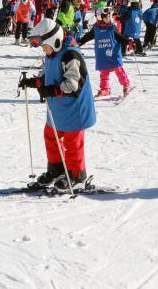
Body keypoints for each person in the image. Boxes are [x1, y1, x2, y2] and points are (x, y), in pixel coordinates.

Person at [19, 19, 96, 191]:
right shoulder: (51, 55)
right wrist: (32, 82)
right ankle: (57, 170)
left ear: (54, 40)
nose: (43, 50)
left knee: (72, 142)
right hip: (58, 109)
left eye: (44, 46)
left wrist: (51, 91)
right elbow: (48, 77)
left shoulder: (71, 55)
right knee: (50, 135)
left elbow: (73, 85)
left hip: (75, 109)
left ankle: (76, 175)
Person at [79, 6, 131, 97]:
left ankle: (126, 85)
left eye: (109, 16)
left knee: (119, 70)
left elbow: (120, 37)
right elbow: (87, 36)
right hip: (102, 55)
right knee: (103, 73)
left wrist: (128, 41)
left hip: (113, 54)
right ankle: (105, 89)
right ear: (100, 17)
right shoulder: (96, 28)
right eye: (106, 17)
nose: (109, 18)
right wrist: (79, 42)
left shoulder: (112, 27)